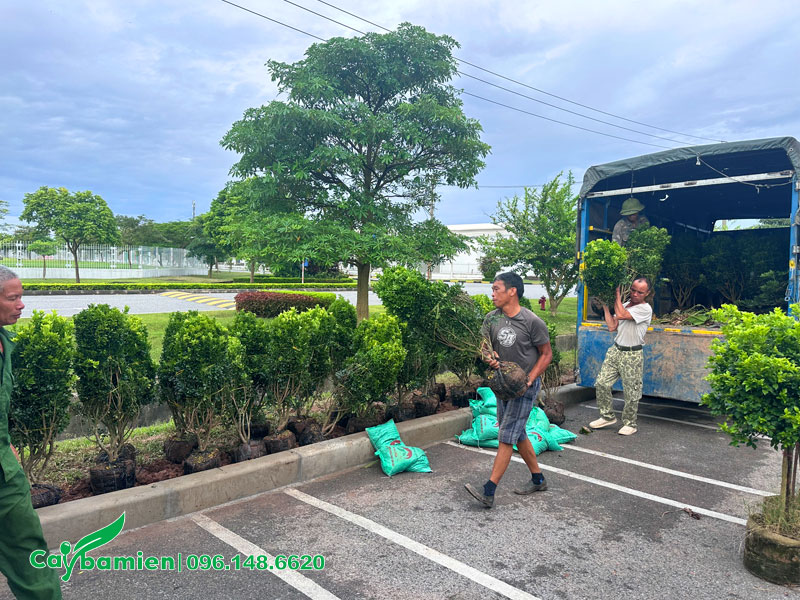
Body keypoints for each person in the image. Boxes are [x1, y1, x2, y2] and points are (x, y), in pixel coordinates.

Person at [0, 267, 62, 599]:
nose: (22, 304)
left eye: (21, 296)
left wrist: (7, 449)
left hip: (5, 476)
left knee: (30, 557)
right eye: (14, 298)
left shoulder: (4, 341)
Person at [465, 272, 552, 508]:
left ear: (512, 291)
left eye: (496, 289)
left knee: (506, 435)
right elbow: (484, 346)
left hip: (524, 387)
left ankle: (489, 490)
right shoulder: (491, 319)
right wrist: (489, 355)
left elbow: (546, 354)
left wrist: (530, 380)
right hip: (502, 385)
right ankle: (538, 479)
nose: (492, 293)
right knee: (516, 432)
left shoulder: (532, 321)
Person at [589, 277, 653, 436]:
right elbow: (612, 326)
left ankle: (630, 423)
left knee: (631, 392)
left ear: (647, 293)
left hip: (632, 354)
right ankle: (607, 416)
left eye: (640, 292)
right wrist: (605, 305)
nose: (635, 294)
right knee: (602, 383)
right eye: (633, 290)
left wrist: (616, 293)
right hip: (616, 350)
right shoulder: (624, 305)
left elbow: (622, 314)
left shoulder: (645, 309)